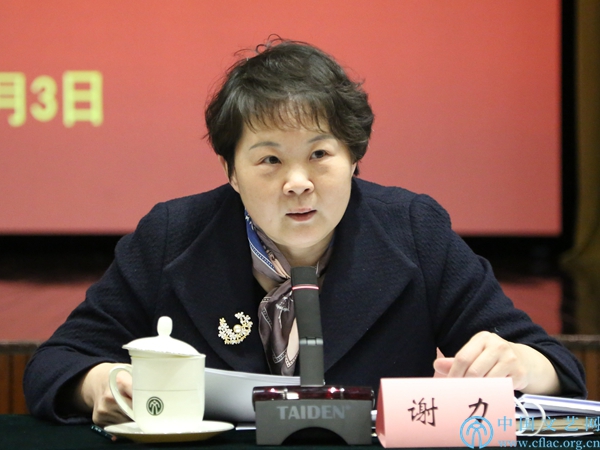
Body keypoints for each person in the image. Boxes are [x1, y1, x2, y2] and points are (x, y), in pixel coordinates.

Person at [23, 38, 586, 427]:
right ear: (230, 172)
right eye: (269, 160)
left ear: (354, 158)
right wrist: (100, 384)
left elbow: (558, 368)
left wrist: (523, 365)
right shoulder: (173, 235)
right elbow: (57, 363)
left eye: (319, 154)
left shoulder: (414, 229)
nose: (298, 183)